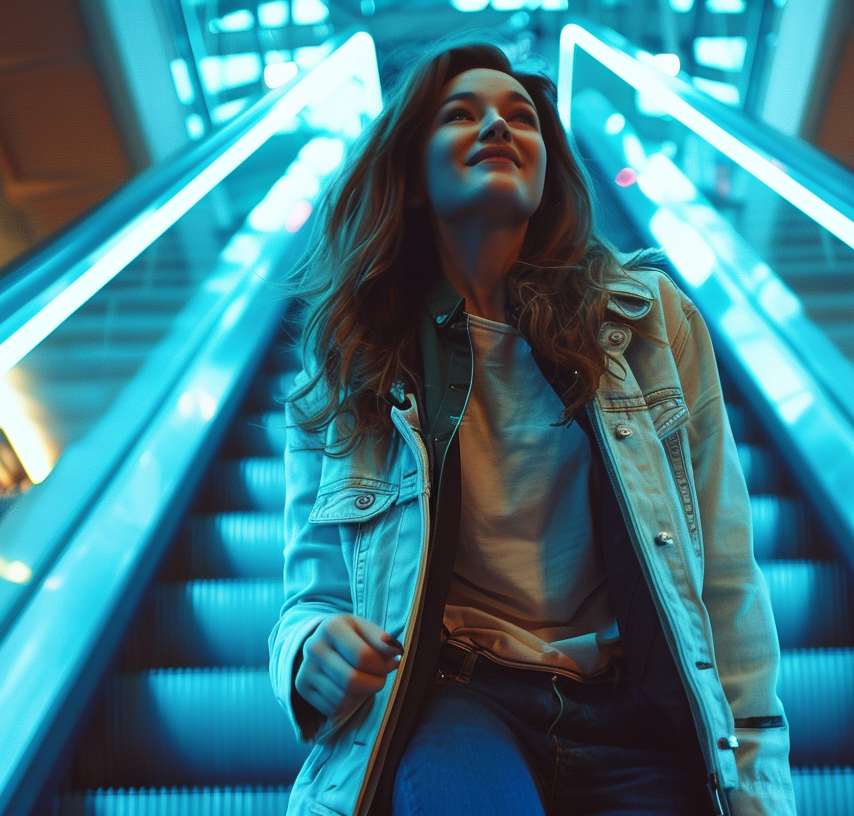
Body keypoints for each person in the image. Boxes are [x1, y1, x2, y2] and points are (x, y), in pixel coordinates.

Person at [269, 38, 795, 816]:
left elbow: (724, 577)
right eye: (461, 114)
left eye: (522, 117)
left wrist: (756, 786)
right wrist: (308, 652)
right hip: (457, 701)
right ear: (412, 178)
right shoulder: (354, 361)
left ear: (547, 170)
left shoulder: (648, 325)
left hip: (633, 714)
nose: (497, 126)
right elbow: (308, 598)